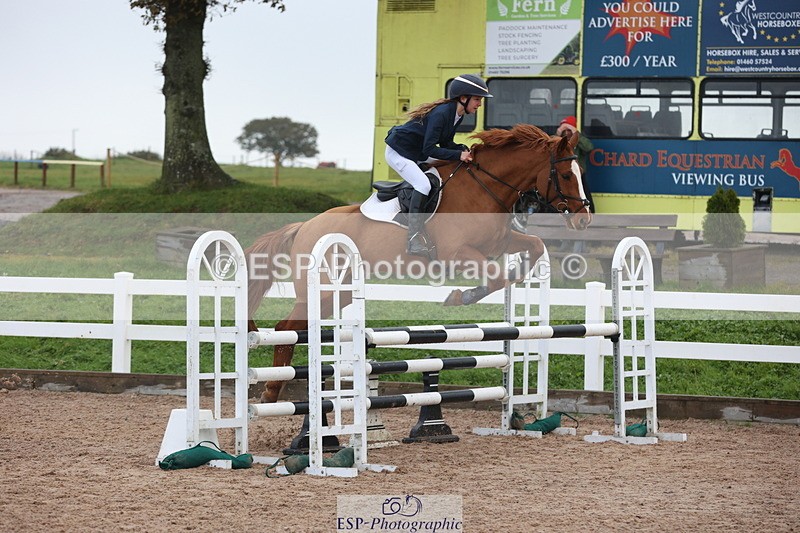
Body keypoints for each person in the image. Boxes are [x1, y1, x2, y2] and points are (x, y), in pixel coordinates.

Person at [385, 73, 493, 257]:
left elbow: (445, 144)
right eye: (477, 99)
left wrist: (463, 150)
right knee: (423, 184)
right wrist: (458, 154)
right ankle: (413, 238)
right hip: (400, 152)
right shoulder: (442, 114)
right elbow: (429, 149)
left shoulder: (457, 114)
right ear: (463, 98)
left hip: (417, 152)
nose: (479, 104)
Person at [556, 115, 595, 212]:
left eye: (569, 130)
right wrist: (558, 134)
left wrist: (576, 135)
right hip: (561, 176)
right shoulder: (558, 142)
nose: (566, 133)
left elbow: (589, 147)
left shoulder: (579, 141)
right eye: (564, 130)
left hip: (578, 176)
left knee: (585, 197)